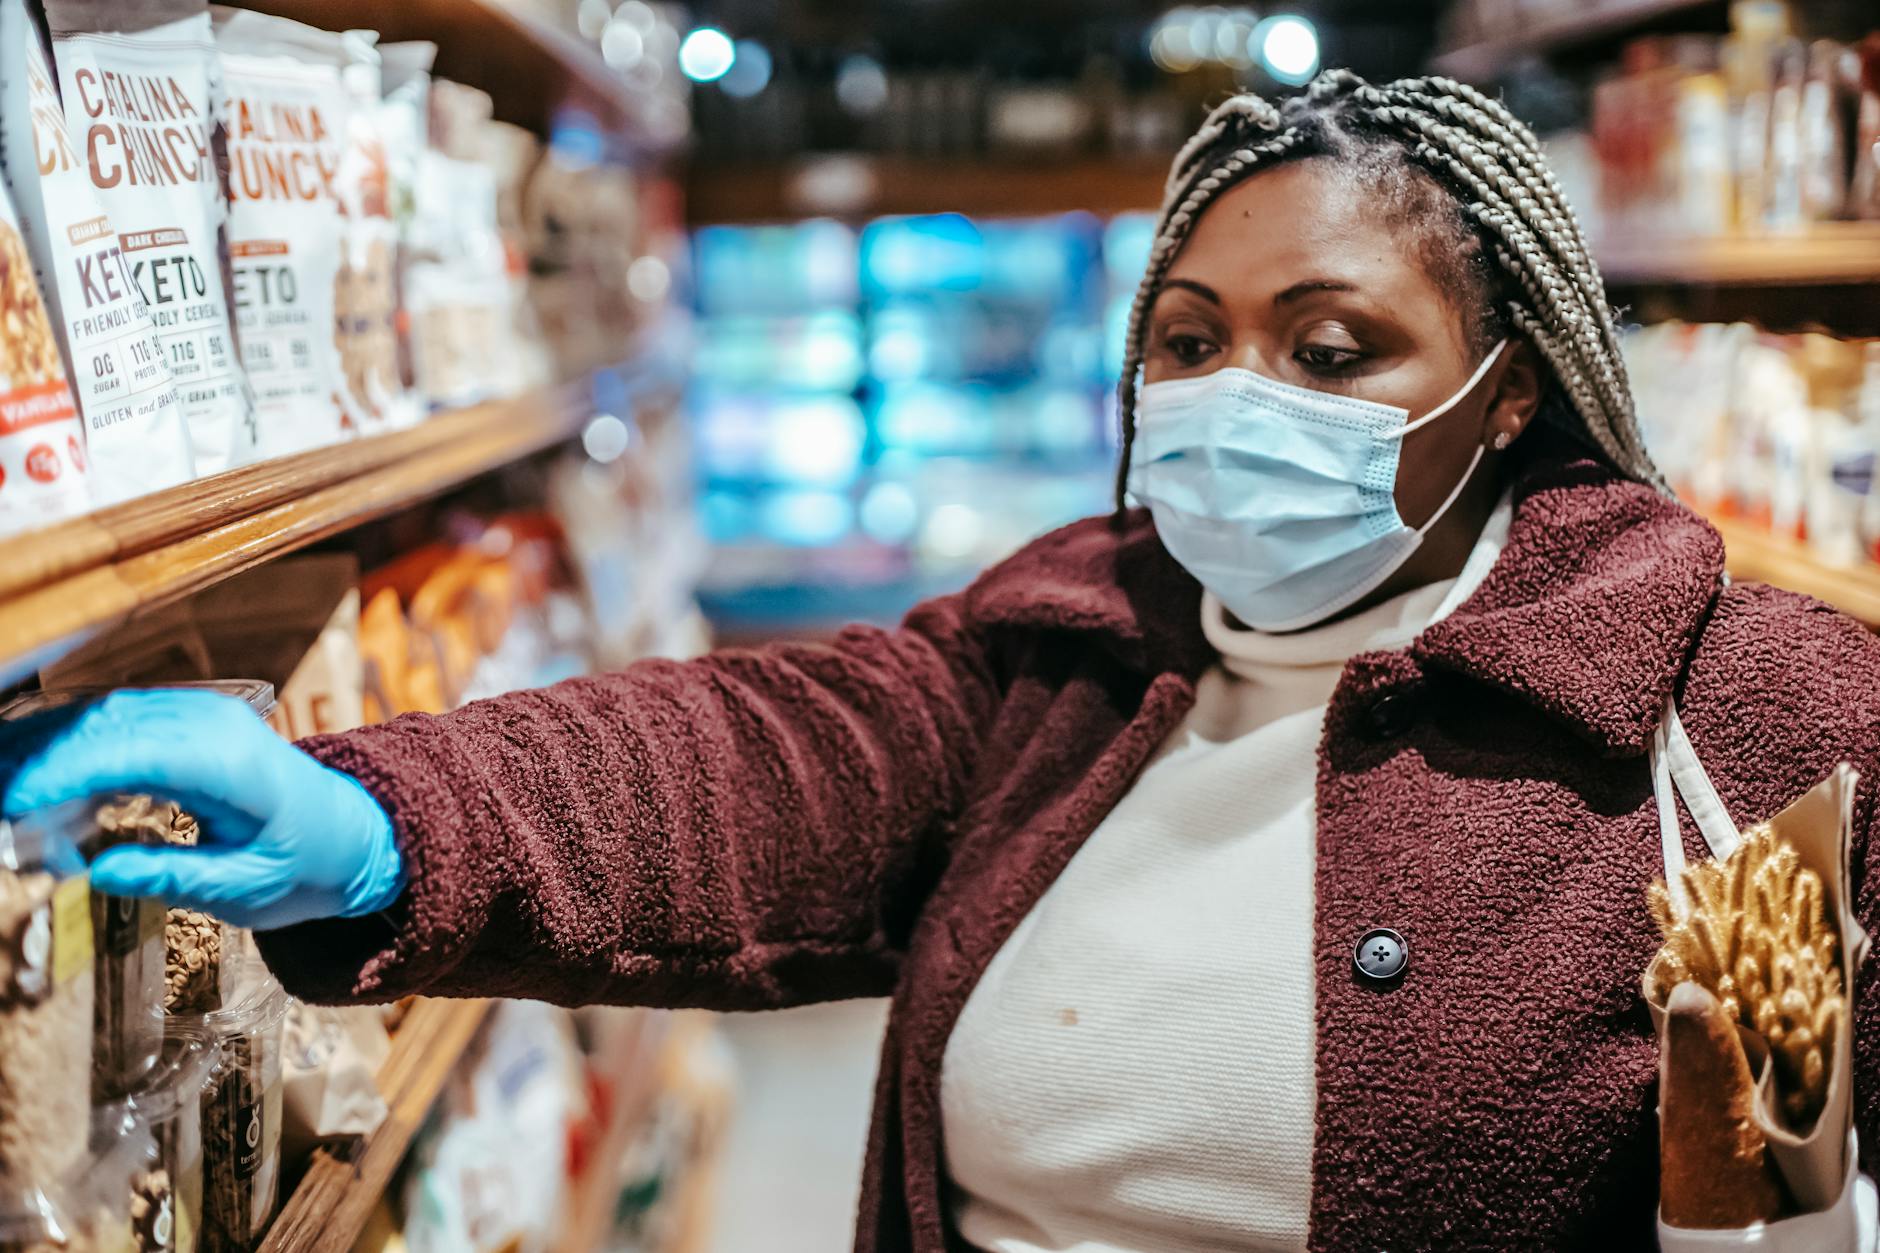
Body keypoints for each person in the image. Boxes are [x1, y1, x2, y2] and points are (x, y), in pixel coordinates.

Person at [9, 69, 1880, 1252]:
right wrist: (376, 820)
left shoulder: (1744, 714)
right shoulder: (1064, 655)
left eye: (1332, 351)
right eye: (1189, 341)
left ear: (1508, 392)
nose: (1238, 400)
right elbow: (756, 759)